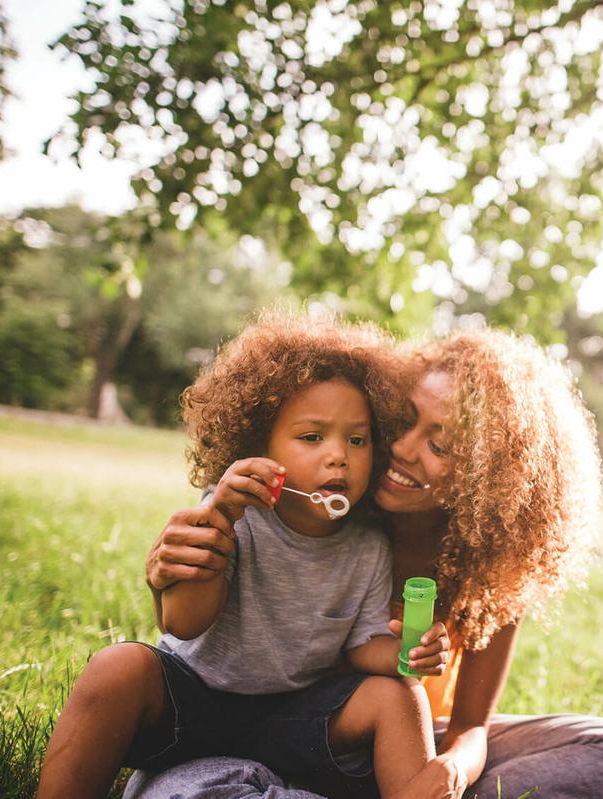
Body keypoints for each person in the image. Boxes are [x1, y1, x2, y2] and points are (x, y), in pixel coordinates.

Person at [130, 326, 603, 799]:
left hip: (397, 745)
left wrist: (452, 770)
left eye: (441, 445)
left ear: (487, 476)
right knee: (197, 785)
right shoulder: (329, 514)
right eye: (403, 421)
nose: (403, 448)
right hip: (266, 727)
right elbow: (201, 606)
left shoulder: (488, 570)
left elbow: (470, 727)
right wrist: (168, 574)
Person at [37, 313, 451, 799]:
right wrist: (222, 518)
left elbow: (360, 648)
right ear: (259, 447)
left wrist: (411, 655)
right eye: (312, 437)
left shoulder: (367, 546)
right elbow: (184, 622)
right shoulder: (232, 514)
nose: (338, 455)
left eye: (356, 440)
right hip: (194, 700)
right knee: (117, 667)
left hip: (291, 714)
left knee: (400, 693)